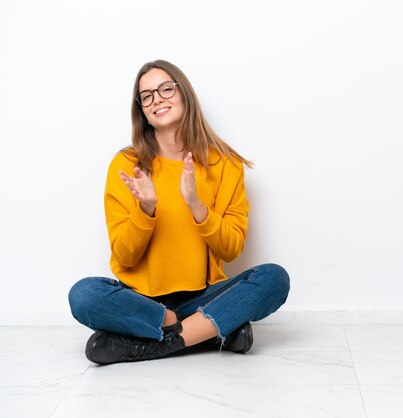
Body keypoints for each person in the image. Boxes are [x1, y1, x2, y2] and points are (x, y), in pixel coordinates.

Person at [68, 60, 290, 365]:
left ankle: (156, 343)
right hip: (143, 302)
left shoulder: (225, 164)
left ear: (184, 93)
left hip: (204, 294)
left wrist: (198, 207)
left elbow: (232, 248)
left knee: (274, 279)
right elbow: (124, 257)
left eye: (165, 89)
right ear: (142, 110)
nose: (157, 98)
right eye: (146, 96)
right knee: (83, 295)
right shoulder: (126, 164)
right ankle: (209, 330)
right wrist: (145, 210)